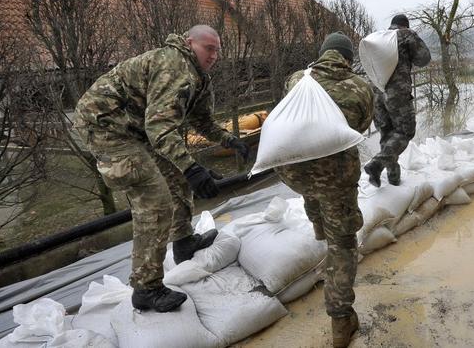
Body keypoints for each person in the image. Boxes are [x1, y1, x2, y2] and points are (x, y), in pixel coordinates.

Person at [73, 25, 250, 313]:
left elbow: (201, 122)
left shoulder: (198, 78)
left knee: (177, 178)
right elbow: (159, 129)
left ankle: (183, 242)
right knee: (155, 201)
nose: (215, 55)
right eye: (209, 48)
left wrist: (230, 140)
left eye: (217, 49)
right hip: (107, 127)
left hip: (137, 128)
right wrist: (194, 169)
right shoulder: (174, 66)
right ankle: (146, 287)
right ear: (189, 43)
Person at [274, 32, 374, 348]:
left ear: (322, 54)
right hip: (335, 178)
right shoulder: (360, 87)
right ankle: (341, 320)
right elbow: (358, 130)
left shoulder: (296, 79)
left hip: (294, 170)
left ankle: (320, 226)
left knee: (311, 189)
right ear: (348, 58)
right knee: (343, 243)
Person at [363, 14, 431, 187]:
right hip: (397, 93)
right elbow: (424, 59)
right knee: (405, 132)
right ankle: (376, 164)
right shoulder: (406, 34)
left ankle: (393, 179)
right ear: (405, 25)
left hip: (377, 93)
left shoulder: (379, 38)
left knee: (388, 136)